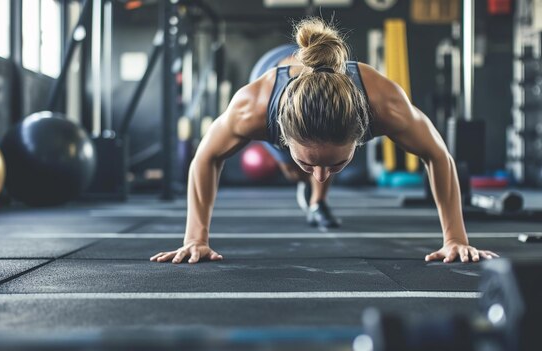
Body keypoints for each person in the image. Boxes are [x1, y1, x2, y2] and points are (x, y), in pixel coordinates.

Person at [150, 18, 498, 265]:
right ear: (281, 134)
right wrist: (196, 238)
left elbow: (438, 155)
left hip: (324, 89)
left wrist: (455, 238)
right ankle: (304, 173)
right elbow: (205, 157)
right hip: (271, 67)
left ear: (364, 131)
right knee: (299, 172)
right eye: (307, 160)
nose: (322, 173)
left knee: (319, 169)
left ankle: (316, 200)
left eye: (340, 162)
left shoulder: (385, 101)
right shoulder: (252, 106)